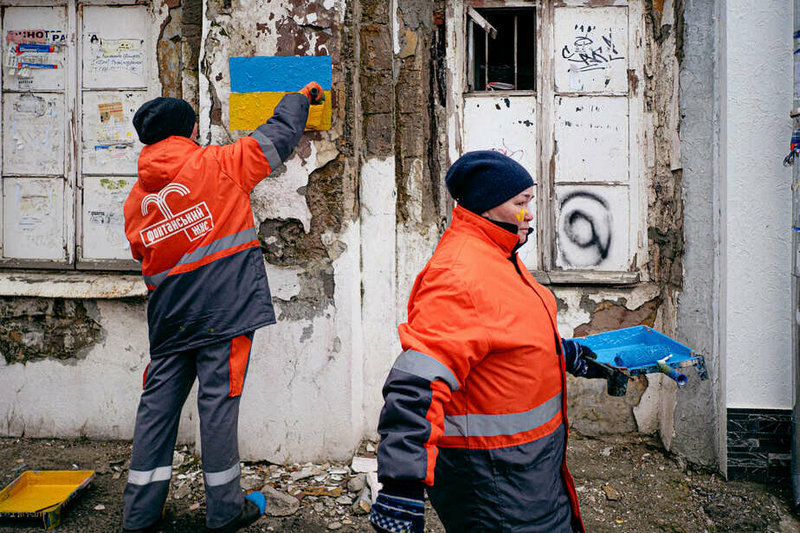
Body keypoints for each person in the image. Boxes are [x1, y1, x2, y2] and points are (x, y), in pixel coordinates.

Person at [368, 151, 624, 533]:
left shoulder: (499, 255)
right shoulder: (458, 275)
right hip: (492, 478)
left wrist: (563, 354)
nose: (529, 214)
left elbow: (504, 332)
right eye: (521, 203)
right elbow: (417, 383)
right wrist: (402, 485)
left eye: (530, 202)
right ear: (488, 205)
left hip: (529, 466)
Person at [121, 82, 325, 532]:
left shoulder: (136, 200)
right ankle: (225, 512)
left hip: (170, 319)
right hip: (224, 312)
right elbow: (277, 137)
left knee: (157, 409)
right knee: (217, 406)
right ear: (189, 130)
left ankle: (139, 516)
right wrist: (301, 97)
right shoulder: (220, 164)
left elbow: (142, 253)